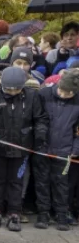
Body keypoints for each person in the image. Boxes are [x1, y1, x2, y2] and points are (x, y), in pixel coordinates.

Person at [0, 66, 48, 232]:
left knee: (16, 181)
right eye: (9, 89)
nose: (12, 92)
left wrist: (40, 134)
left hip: (22, 146)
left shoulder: (32, 96)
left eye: (16, 89)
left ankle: (14, 212)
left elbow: (40, 118)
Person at [35, 70, 79, 230]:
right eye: (62, 90)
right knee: (42, 181)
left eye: (69, 93)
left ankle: (61, 213)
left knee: (61, 183)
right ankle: (43, 213)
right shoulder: (44, 94)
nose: (64, 94)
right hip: (43, 147)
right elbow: (37, 118)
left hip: (64, 149)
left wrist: (75, 148)